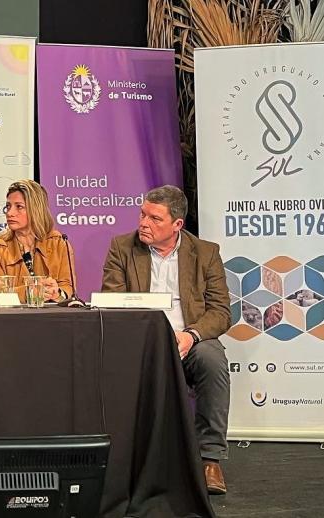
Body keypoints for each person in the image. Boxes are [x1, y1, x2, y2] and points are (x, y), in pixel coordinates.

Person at [101, 185, 231, 495]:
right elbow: (111, 301)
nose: (143, 223)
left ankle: (209, 458)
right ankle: (122, 457)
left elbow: (221, 312)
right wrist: (147, 336)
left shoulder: (205, 253)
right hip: (140, 340)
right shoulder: (122, 247)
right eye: (142, 214)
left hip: (191, 340)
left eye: (154, 218)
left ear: (177, 225)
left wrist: (191, 335)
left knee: (214, 362)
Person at [0, 179, 74, 302]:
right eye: (8, 206)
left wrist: (56, 292)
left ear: (36, 210)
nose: (10, 213)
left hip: (53, 316)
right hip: (13, 318)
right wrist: (29, 291)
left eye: (19, 207)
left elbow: (67, 286)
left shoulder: (58, 243)